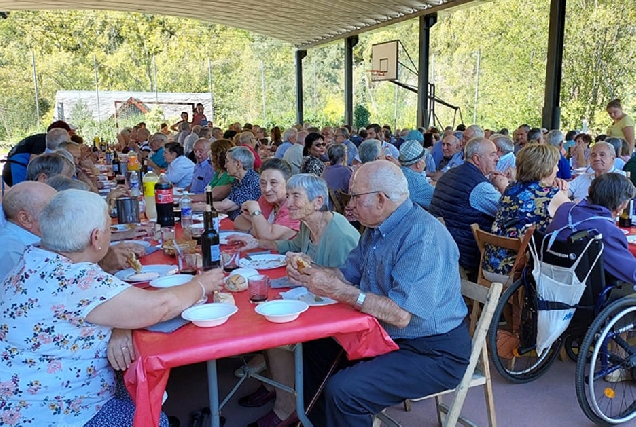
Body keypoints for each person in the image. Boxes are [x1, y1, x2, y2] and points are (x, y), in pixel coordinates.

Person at [0, 189, 223, 426]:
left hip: (25, 397)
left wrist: (120, 325)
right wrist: (202, 283)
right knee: (153, 420)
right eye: (109, 228)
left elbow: (107, 306)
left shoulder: (35, 257)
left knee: (135, 384)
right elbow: (160, 307)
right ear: (96, 238)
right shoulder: (75, 278)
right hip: (50, 413)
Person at [283, 161, 470, 426]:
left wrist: (339, 291)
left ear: (380, 200)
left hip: (432, 351)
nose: (349, 205)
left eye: (355, 197)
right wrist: (311, 271)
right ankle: (317, 421)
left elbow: (401, 314)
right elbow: (347, 274)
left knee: (345, 390)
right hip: (385, 335)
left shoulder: (422, 235)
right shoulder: (375, 228)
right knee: (315, 344)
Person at [229, 174, 360, 427]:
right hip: (313, 303)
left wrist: (308, 272)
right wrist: (255, 241)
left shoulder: (340, 235)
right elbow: (285, 246)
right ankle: (278, 388)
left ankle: (286, 406)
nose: (287, 202)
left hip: (337, 319)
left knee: (275, 330)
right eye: (287, 195)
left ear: (318, 201)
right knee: (266, 315)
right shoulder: (310, 226)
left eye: (295, 196)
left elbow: (347, 285)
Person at [482, 144, 569, 283]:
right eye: (555, 165)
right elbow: (576, 218)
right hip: (515, 271)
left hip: (490, 265)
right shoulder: (553, 195)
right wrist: (564, 192)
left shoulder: (510, 188)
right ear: (545, 168)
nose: (557, 169)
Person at [429, 138, 509, 276]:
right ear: (477, 159)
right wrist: (504, 187)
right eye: (492, 154)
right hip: (467, 255)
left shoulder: (451, 173)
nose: (497, 158)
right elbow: (511, 212)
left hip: (442, 247)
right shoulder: (480, 187)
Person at [233, 158, 300, 240]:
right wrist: (260, 230)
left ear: (288, 183)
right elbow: (238, 221)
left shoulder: (294, 205)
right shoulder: (267, 199)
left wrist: (255, 211)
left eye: (273, 182)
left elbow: (267, 236)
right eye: (263, 183)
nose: (267, 189)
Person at [2, 120, 72, 187]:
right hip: (19, 160)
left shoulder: (44, 138)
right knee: (22, 186)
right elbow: (33, 160)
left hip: (18, 159)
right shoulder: (43, 140)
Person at [213, 146, 261, 220]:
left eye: (227, 161)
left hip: (244, 228)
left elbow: (225, 206)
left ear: (238, 164)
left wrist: (192, 206)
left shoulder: (252, 181)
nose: (225, 166)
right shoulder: (238, 180)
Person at [398, 139, 434, 209]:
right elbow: (437, 199)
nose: (425, 163)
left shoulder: (399, 171)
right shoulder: (416, 181)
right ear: (418, 164)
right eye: (424, 160)